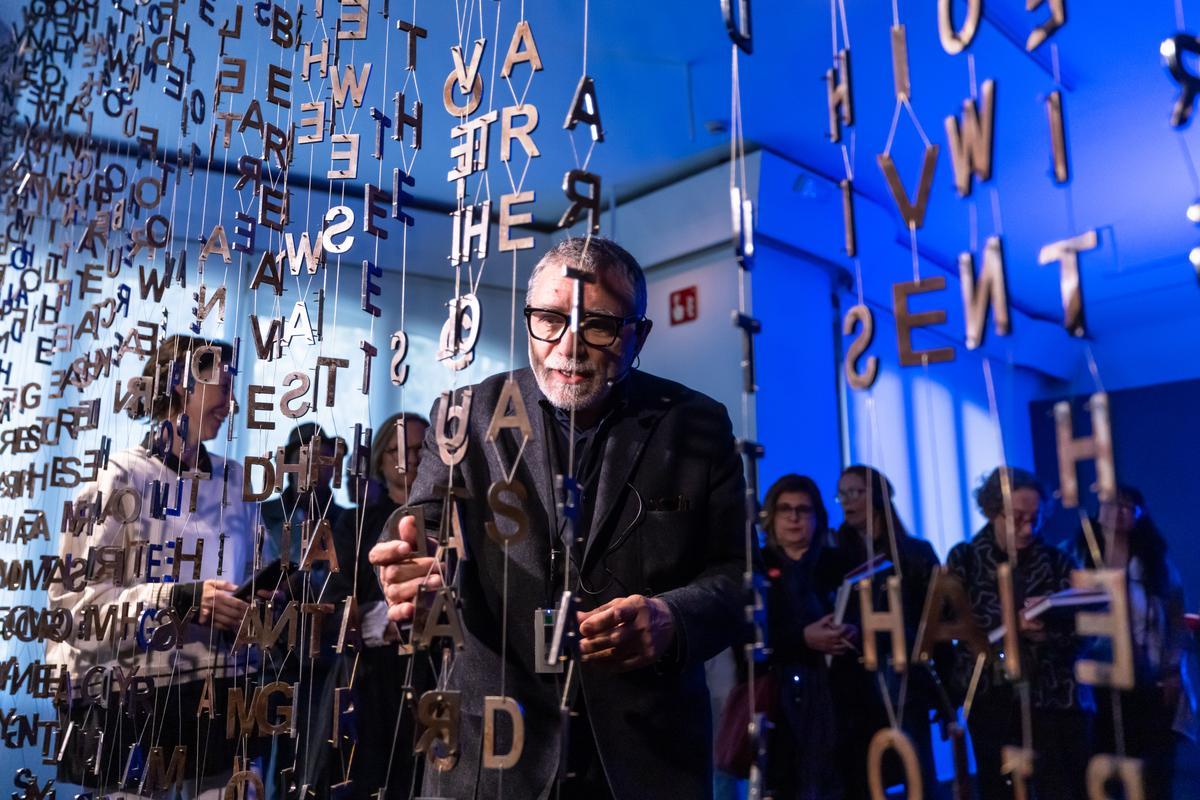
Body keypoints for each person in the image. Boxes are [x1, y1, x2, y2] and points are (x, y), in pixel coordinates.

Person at [370, 236, 747, 800]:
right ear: (528, 321)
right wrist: (415, 568)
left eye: (599, 325)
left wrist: (673, 619)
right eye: (549, 319)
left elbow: (738, 575)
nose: (568, 345)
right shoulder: (463, 414)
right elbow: (422, 522)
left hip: (642, 760)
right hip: (488, 758)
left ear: (639, 335)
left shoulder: (696, 424)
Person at [47, 334, 257, 796]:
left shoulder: (237, 483)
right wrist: (182, 600)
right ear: (183, 383)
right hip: (132, 726)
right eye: (224, 386)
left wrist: (261, 605)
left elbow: (242, 585)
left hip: (218, 720)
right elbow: (75, 614)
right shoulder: (117, 480)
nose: (231, 402)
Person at [946, 467, 1090, 800]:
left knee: (1059, 785)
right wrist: (1010, 625)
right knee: (998, 786)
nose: (1028, 528)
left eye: (1035, 517)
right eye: (1018, 517)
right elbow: (951, 625)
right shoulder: (964, 558)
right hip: (989, 690)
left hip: (1051, 694)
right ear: (993, 510)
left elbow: (1085, 630)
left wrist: (1045, 635)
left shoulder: (1058, 561)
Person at [320, 412, 432, 799]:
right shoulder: (355, 523)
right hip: (372, 679)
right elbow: (333, 607)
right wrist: (384, 618)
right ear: (382, 459)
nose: (414, 460)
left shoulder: (450, 516)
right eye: (403, 451)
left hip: (435, 676)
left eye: (422, 450)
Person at [824, 465, 941, 800]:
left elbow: (932, 620)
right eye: (842, 493)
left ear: (877, 495)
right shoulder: (833, 551)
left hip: (904, 674)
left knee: (914, 769)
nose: (847, 501)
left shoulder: (916, 553)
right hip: (852, 680)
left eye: (855, 492)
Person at [1070, 486, 1191, 800]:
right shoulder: (1075, 557)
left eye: (1128, 506)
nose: (1119, 512)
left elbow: (1176, 623)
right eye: (1111, 505)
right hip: (1095, 684)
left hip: (1148, 681)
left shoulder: (1157, 564)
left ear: (1140, 513)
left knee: (1151, 771)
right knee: (1101, 767)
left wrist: (1172, 672)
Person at [759, 474, 846, 799]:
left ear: (817, 516)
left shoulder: (838, 563)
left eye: (803, 510)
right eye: (785, 509)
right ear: (772, 516)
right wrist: (801, 638)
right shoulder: (756, 567)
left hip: (837, 697)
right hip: (775, 698)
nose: (794, 518)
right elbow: (747, 637)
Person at [260, 422, 347, 566]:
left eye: (322, 458)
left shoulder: (348, 522)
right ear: (288, 467)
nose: (313, 467)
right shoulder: (260, 515)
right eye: (304, 458)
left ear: (333, 468)